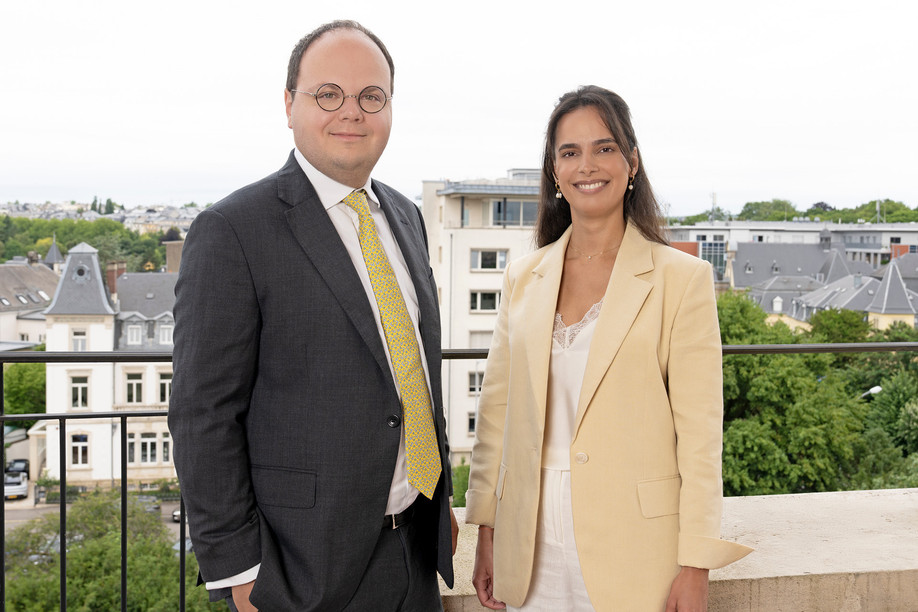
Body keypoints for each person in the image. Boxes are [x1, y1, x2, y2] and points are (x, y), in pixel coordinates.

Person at [168, 20, 457, 612]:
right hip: (301, 570)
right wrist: (240, 568)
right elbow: (202, 414)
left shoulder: (406, 216)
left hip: (415, 552)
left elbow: (415, 374)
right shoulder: (232, 230)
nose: (351, 112)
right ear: (288, 104)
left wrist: (440, 499)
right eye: (328, 94)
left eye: (371, 96)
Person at [465, 85, 752, 611]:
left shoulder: (681, 280)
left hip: (636, 546)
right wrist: (486, 528)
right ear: (554, 172)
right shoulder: (523, 278)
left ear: (631, 162)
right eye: (569, 152)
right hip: (527, 543)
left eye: (604, 148)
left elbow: (700, 438)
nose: (587, 165)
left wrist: (696, 564)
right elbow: (496, 417)